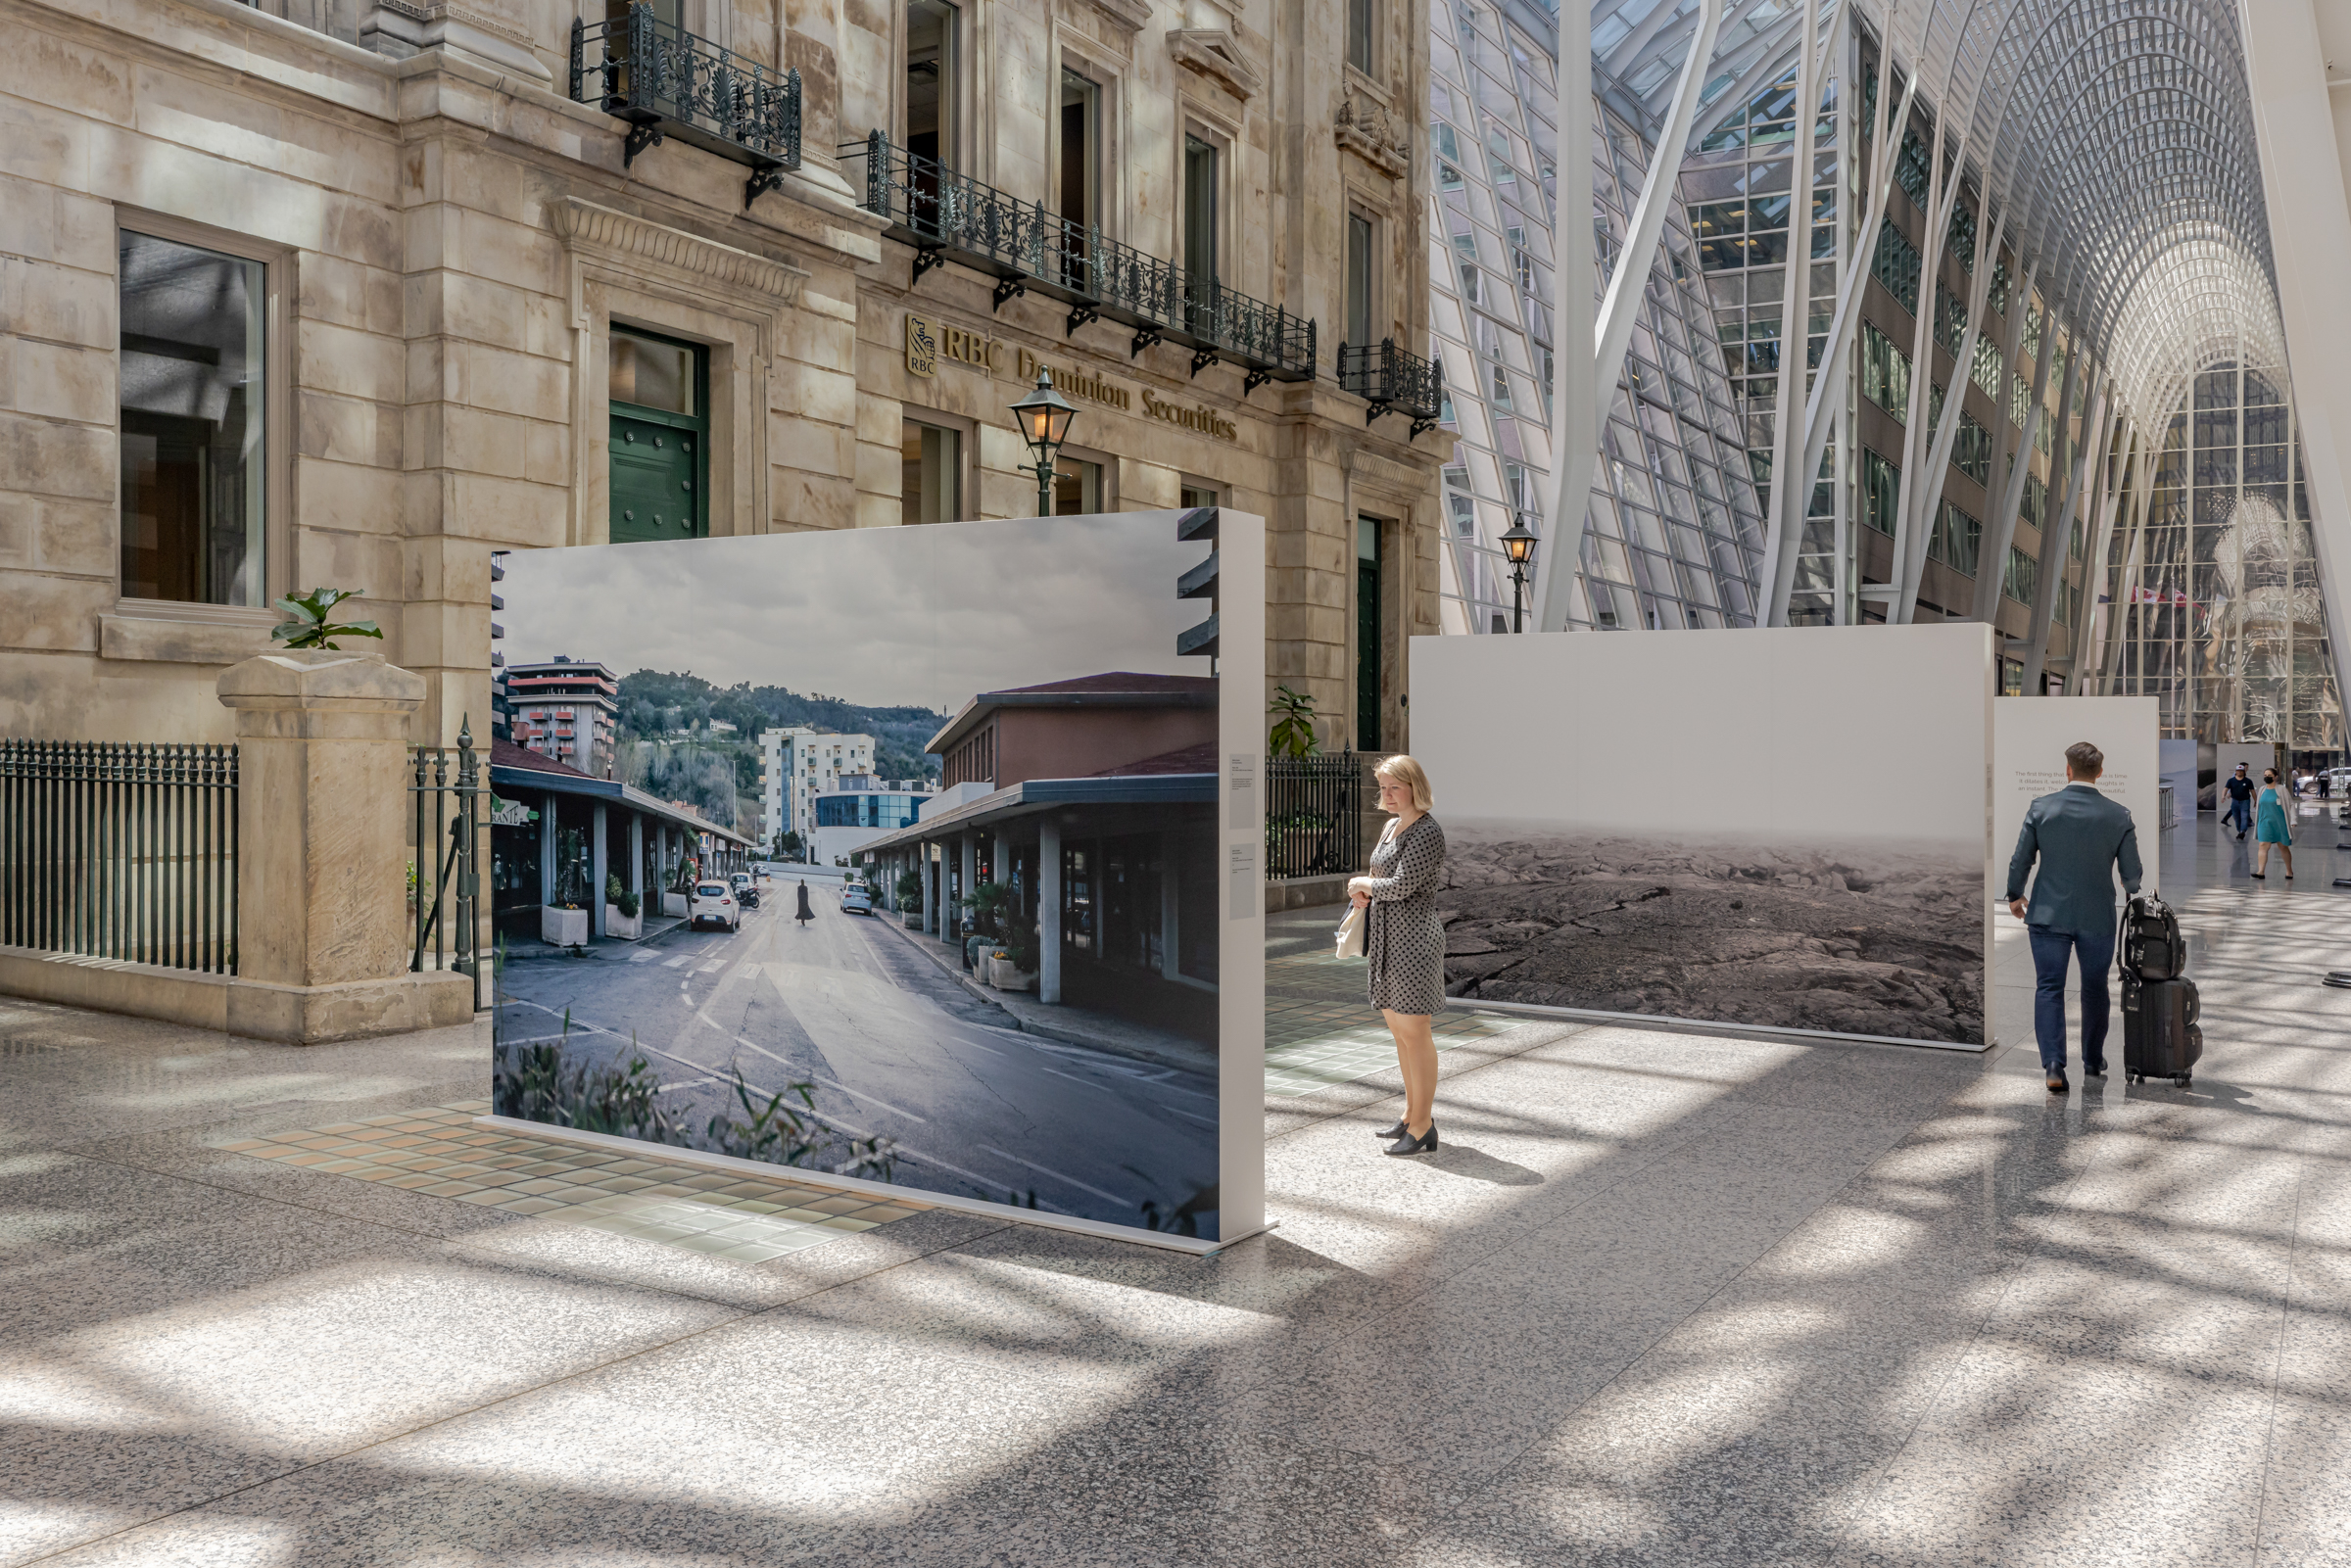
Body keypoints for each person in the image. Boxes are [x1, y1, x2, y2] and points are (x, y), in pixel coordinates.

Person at [2006, 740, 2144, 1094]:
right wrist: (2128, 884)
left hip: (2048, 913)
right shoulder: (2119, 815)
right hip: (2096, 916)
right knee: (2095, 987)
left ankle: (2053, 1064)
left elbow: (2021, 858)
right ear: (2100, 773)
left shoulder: (2042, 808)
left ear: (2067, 770)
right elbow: (2132, 876)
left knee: (2049, 987)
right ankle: (2093, 1058)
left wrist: (2014, 893)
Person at [1348, 755, 1448, 1156]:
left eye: (1394, 787)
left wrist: (1365, 883)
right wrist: (1365, 889)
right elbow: (1384, 879)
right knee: (1400, 1033)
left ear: (1414, 787)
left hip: (1414, 944)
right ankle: (1411, 1115)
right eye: (1382, 787)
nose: (1386, 795)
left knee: (1415, 1032)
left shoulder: (1427, 831)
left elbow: (1402, 885)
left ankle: (1423, 1125)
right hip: (1387, 940)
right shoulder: (1392, 826)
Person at [2254, 768, 2294, 880]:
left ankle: (2289, 870)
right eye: (2265, 774)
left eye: (2270, 775)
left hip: (2279, 822)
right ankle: (2261, 871)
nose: (2267, 776)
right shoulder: (2262, 789)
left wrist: (2293, 820)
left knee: (2283, 847)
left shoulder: (2281, 790)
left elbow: (2291, 804)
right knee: (2262, 845)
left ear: (2276, 777)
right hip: (2264, 822)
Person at [2223, 763, 2255, 838]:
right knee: (2236, 818)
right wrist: (2224, 795)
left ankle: (2242, 831)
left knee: (2244, 816)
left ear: (2244, 772)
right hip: (2235, 801)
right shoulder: (2231, 780)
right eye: (2238, 771)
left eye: (2241, 771)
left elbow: (2252, 791)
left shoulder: (2248, 781)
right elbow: (2226, 788)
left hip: (2245, 801)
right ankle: (2240, 830)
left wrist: (2256, 801)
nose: (2239, 772)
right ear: (2236, 771)